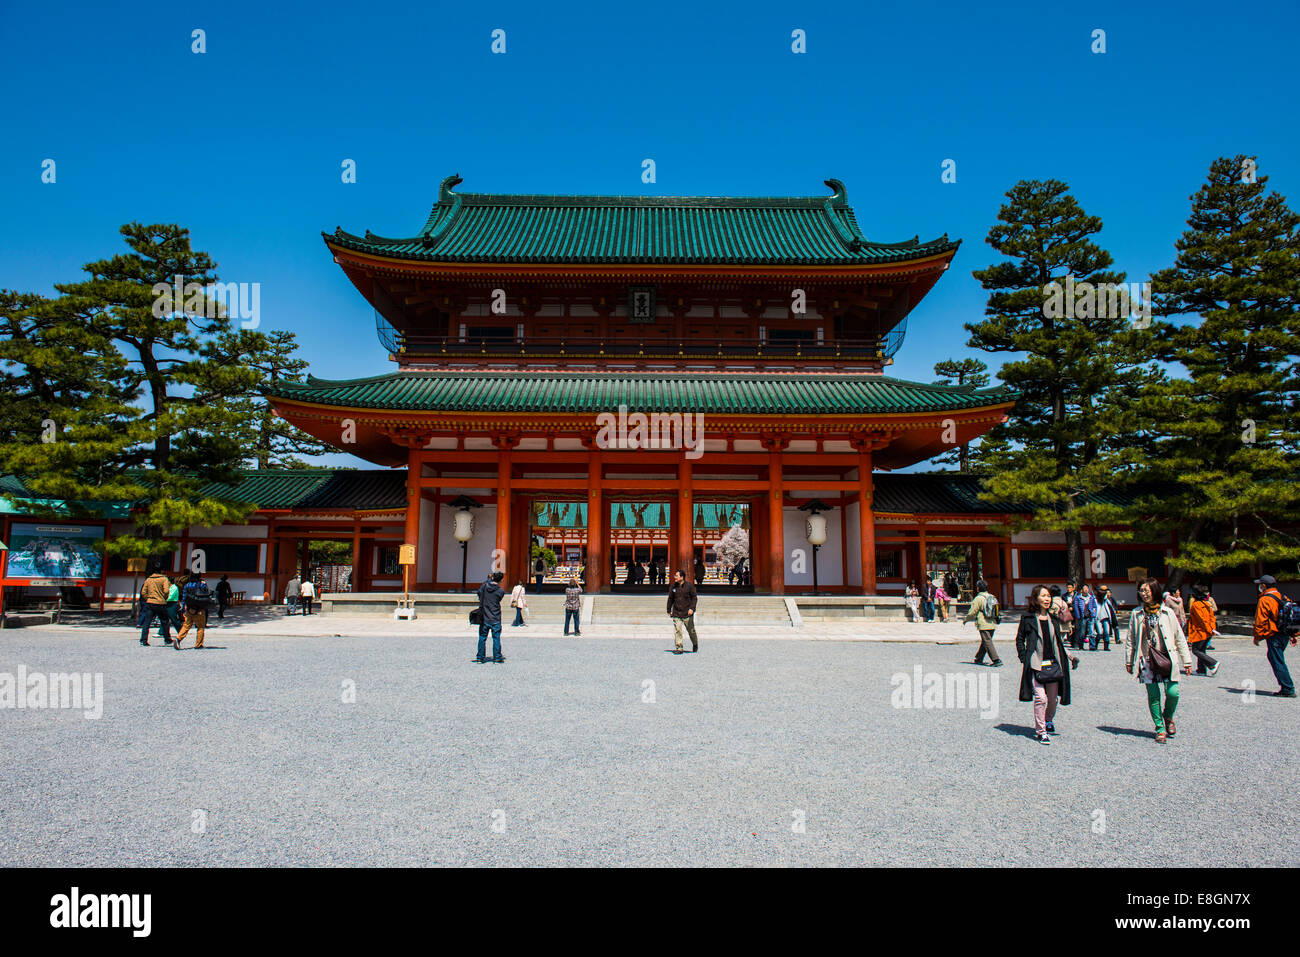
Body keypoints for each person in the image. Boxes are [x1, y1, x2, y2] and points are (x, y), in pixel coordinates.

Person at [1127, 578, 1194, 742]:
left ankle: (1168, 716)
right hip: (1147, 658)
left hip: (1167, 656)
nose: (1144, 594)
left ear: (1155, 590)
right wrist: (1129, 660)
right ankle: (1160, 728)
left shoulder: (1167, 612)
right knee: (1153, 695)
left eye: (1146, 590)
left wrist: (1187, 660)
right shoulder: (1137, 613)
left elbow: (1179, 637)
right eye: (1141, 591)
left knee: (1173, 693)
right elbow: (1131, 639)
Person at [1016, 584, 1079, 745]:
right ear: (1036, 598)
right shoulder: (1028, 618)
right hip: (1036, 664)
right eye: (1043, 596)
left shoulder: (1053, 619)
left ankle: (1048, 720)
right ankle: (1041, 731)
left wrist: (1070, 657)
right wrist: (1025, 658)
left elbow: (1058, 642)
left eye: (1049, 596)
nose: (1047, 599)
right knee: (1040, 698)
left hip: (1053, 663)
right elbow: (1020, 639)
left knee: (1053, 699)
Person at [1253, 575, 1296, 697]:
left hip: (1274, 633)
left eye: (1260, 585)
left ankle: (1287, 688)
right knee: (1276, 658)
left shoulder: (1265, 599)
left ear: (1264, 586)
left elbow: (1260, 620)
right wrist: (1294, 634)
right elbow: (1291, 617)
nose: (1259, 587)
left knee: (1277, 660)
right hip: (1285, 633)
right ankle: (1286, 687)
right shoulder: (1283, 597)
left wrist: (1257, 636)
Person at [962, 579, 1002, 666]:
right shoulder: (992, 597)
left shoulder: (978, 599)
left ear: (978, 588)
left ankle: (996, 660)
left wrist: (966, 619)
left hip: (983, 623)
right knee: (986, 641)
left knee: (987, 641)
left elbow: (973, 611)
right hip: (992, 622)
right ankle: (979, 658)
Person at [1186, 583, 1219, 676]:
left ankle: (1213, 663)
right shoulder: (1206, 603)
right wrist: (1212, 629)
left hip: (1200, 631)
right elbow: (1212, 617)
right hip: (1208, 631)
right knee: (1202, 650)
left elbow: (1202, 620)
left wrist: (1208, 629)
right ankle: (1201, 670)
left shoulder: (1196, 605)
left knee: (1195, 650)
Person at [475, 571, 507, 663]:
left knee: (482, 637)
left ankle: (480, 657)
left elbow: (479, 593)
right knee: (496, 638)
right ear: (501, 580)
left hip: (484, 616)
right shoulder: (500, 591)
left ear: (492, 577)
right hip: (495, 616)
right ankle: (497, 657)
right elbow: (499, 598)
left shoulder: (484, 587)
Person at [175, 573, 213, 650]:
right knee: (200, 627)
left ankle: (178, 638)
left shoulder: (187, 585)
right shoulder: (202, 585)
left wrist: (183, 609)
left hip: (189, 608)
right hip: (199, 608)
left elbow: (184, 598)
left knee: (186, 625)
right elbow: (206, 594)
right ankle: (198, 644)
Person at [139, 566, 173, 647]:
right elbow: (166, 590)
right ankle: (167, 639)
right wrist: (164, 597)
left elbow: (143, 592)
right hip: (160, 603)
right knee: (164, 621)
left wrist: (148, 598)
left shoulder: (149, 579)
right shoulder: (164, 579)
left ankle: (143, 640)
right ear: (161, 571)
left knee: (147, 622)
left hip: (150, 602)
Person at [667, 569, 698, 654]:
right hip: (677, 612)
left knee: (691, 631)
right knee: (678, 630)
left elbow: (694, 598)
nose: (675, 577)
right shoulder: (673, 587)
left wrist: (692, 608)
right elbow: (670, 599)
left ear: (682, 577)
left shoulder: (689, 586)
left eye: (676, 576)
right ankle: (679, 647)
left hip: (687, 612)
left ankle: (695, 643)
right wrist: (669, 609)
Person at [1073, 583, 1099, 650]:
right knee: (1082, 632)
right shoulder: (1078, 597)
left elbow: (1094, 606)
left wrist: (1094, 614)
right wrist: (1078, 616)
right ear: (1082, 590)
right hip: (1082, 617)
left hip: (1090, 616)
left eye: (1087, 588)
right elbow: (1076, 607)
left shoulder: (1091, 597)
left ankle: (1092, 646)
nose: (1086, 590)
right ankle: (1081, 646)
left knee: (1091, 632)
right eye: (1084, 588)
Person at [1094, 584, 1118, 651]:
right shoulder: (1095, 600)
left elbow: (1111, 610)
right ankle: (1095, 645)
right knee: (1099, 632)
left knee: (1106, 632)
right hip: (1098, 618)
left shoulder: (1106, 600)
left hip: (1106, 617)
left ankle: (1106, 646)